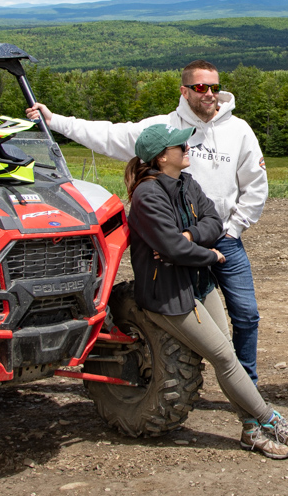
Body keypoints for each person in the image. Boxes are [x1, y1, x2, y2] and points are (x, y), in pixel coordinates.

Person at [27, 60, 269, 382]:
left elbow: (256, 186)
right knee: (183, 315)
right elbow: (108, 135)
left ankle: (247, 381)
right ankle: (179, 376)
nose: (209, 94)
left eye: (214, 87)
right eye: (200, 87)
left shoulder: (239, 131)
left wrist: (234, 228)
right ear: (185, 91)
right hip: (175, 244)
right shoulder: (164, 128)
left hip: (222, 237)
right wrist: (54, 120)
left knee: (246, 315)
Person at [124, 123, 288, 460]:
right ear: (162, 157)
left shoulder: (187, 183)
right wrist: (209, 255)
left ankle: (250, 430)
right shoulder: (147, 195)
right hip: (169, 294)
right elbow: (171, 248)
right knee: (224, 357)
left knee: (227, 356)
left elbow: (213, 223)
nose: (188, 149)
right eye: (180, 146)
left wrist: (190, 238)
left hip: (198, 282)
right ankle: (273, 422)